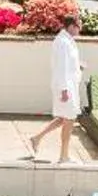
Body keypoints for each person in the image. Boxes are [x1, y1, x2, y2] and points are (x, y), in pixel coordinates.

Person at [29, 26, 83, 163]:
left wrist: (77, 66)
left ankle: (37, 138)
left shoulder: (67, 40)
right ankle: (64, 156)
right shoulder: (63, 42)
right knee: (69, 119)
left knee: (64, 117)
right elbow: (61, 67)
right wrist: (64, 90)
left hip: (68, 85)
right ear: (71, 26)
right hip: (65, 87)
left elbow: (67, 64)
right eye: (79, 25)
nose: (80, 28)